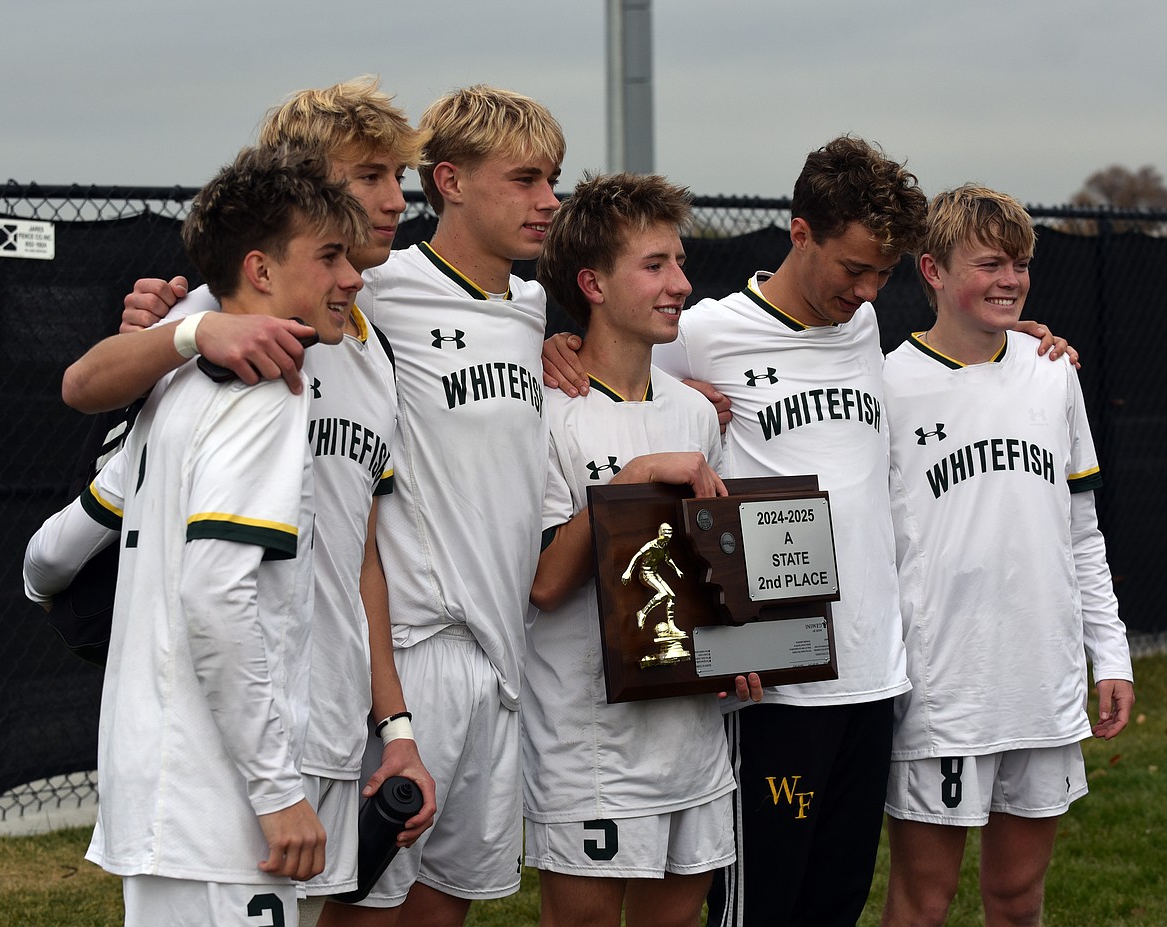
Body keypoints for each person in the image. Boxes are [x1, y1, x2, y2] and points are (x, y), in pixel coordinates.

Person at [540, 137, 1075, 927]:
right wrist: (556, 344)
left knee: (836, 902)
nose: (864, 292)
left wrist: (1021, 330)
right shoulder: (711, 330)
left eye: (881, 274)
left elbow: (958, 355)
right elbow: (612, 347)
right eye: (850, 268)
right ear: (799, 235)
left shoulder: (865, 336)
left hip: (874, 679)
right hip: (774, 681)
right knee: (764, 906)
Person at [47, 77, 438, 925]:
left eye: (396, 177)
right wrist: (189, 330)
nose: (390, 198)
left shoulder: (369, 349)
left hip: (318, 716)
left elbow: (356, 550)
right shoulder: (230, 317)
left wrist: (393, 721)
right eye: (367, 175)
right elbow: (83, 383)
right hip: (226, 736)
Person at [878, 185, 1134, 927]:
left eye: (1019, 263)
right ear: (931, 268)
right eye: (988, 263)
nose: (1009, 279)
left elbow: (1082, 533)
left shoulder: (1053, 371)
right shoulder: (888, 383)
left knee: (1019, 897)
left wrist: (1109, 655)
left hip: (1040, 681)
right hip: (942, 689)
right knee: (923, 901)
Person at [347, 84, 565, 927]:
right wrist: (162, 315)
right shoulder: (380, 288)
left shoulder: (534, 306)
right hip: (416, 644)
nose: (547, 200)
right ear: (450, 180)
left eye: (553, 179)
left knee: (448, 905)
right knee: (365, 902)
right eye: (525, 178)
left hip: (504, 653)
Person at [525, 169, 762, 927]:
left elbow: (702, 563)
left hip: (691, 738)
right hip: (588, 742)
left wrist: (737, 642)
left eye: (680, 262)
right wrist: (629, 482)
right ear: (591, 283)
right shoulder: (545, 409)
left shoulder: (695, 412)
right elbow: (544, 584)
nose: (681, 284)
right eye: (655, 265)